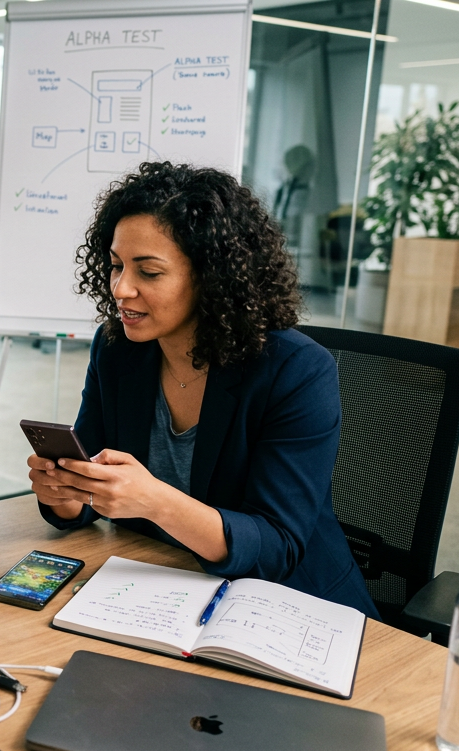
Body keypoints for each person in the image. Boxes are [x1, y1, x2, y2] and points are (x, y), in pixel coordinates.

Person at [28, 161, 379, 618]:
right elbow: (93, 475)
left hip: (290, 605)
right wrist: (69, 497)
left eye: (148, 273)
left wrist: (154, 500)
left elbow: (276, 544)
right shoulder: (118, 350)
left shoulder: (297, 371)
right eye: (115, 266)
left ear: (212, 277)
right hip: (165, 586)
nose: (121, 288)